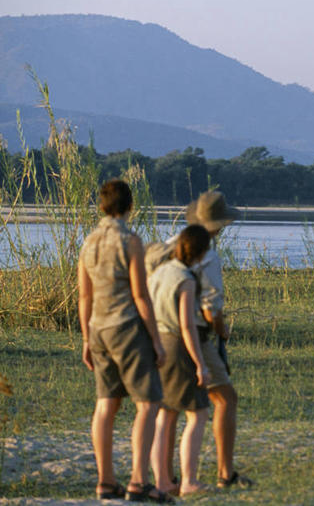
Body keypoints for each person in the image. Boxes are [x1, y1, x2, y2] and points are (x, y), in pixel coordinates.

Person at [78, 179, 172, 503]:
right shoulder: (130, 241)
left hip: (97, 329)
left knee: (106, 403)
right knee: (148, 404)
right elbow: (140, 295)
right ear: (130, 206)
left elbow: (84, 296)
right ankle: (138, 481)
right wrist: (156, 340)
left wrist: (86, 339)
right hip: (127, 328)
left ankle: (105, 481)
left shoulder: (88, 242)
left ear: (102, 205)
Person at [165, 191, 253, 488]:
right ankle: (225, 473)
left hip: (164, 332)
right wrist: (221, 328)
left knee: (170, 408)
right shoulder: (209, 255)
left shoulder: (170, 245)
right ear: (220, 224)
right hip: (195, 334)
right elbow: (210, 307)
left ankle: (167, 477)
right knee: (225, 398)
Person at [149, 225, 212, 497]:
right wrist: (200, 364)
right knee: (198, 413)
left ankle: (162, 481)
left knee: (165, 413)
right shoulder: (185, 279)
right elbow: (186, 325)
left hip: (156, 343)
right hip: (176, 345)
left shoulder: (159, 271)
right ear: (199, 252)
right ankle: (189, 480)